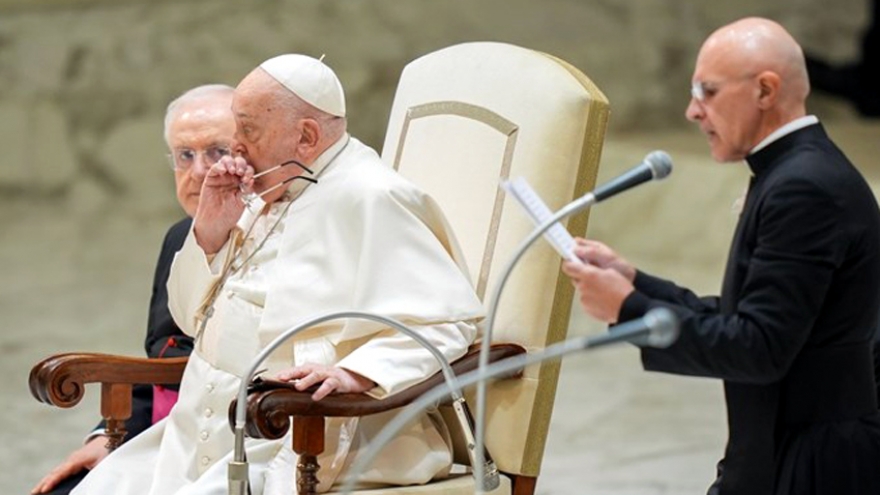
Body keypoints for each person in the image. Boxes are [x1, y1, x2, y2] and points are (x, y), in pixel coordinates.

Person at [69, 54, 484, 495]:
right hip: (196, 433)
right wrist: (210, 234)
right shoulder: (271, 183)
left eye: (247, 130)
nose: (236, 146)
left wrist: (355, 374)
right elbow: (189, 321)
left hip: (308, 433)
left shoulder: (372, 196)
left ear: (306, 136)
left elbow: (446, 323)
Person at [562, 17, 880, 495]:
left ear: (765, 90)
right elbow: (755, 319)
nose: (692, 112)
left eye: (707, 92)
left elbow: (760, 347)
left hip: (811, 465)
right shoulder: (796, 172)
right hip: (782, 451)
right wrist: (635, 284)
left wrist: (629, 309)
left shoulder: (804, 188)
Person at [31, 84, 237, 495]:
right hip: (169, 432)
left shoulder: (283, 236)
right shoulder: (179, 237)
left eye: (217, 152)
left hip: (242, 438)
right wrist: (106, 436)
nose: (199, 171)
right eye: (185, 155)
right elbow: (162, 360)